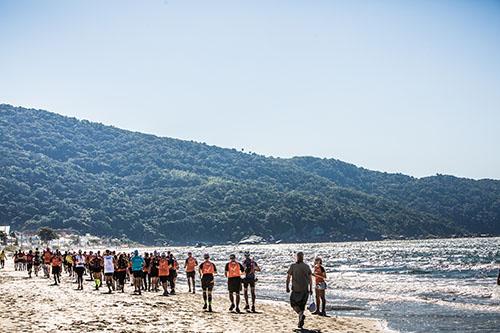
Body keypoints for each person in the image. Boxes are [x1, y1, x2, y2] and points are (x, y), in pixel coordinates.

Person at [286, 252, 313, 329]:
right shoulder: (306, 266)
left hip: (298, 289)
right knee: (301, 306)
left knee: (294, 304)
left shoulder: (294, 266)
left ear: (297, 257)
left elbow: (288, 277)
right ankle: (301, 318)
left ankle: (300, 317)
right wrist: (310, 288)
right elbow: (310, 279)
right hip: (303, 289)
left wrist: (287, 286)